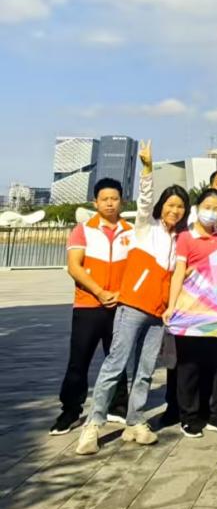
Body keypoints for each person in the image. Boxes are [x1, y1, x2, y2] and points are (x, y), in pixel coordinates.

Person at [76, 142, 187, 451]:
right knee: (116, 364)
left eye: (180, 206)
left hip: (159, 312)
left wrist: (171, 307)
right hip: (133, 306)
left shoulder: (181, 240)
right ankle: (93, 425)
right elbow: (146, 199)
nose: (174, 210)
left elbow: (180, 273)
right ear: (162, 205)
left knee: (146, 369)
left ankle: (135, 421)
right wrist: (148, 169)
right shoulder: (145, 226)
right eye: (170, 204)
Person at [53, 176, 132, 435]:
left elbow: (135, 269)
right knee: (79, 359)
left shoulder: (130, 231)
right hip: (88, 305)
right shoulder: (83, 229)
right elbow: (74, 266)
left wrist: (120, 293)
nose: (110, 204)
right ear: (95, 202)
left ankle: (118, 406)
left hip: (119, 305)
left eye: (115, 199)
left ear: (121, 201)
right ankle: (71, 410)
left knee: (118, 357)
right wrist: (99, 291)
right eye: (105, 199)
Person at [168, 186, 217, 438]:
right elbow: (178, 273)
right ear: (197, 209)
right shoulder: (185, 237)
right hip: (191, 310)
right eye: (207, 207)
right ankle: (190, 415)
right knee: (189, 365)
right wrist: (171, 306)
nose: (212, 212)